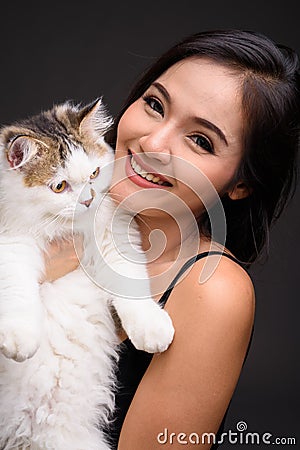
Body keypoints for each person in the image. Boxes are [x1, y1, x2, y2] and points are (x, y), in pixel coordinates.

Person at [44, 30, 300, 449]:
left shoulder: (211, 291)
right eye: (154, 105)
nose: (154, 142)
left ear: (241, 184)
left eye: (200, 140)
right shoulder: (47, 212)